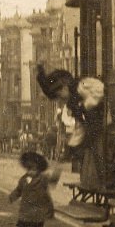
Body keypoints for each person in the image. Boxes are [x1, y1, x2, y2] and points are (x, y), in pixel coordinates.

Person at [36, 65, 106, 194]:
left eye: (60, 96)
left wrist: (85, 106)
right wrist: (70, 147)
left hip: (104, 121)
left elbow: (99, 88)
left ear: (65, 86)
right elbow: (79, 127)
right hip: (92, 127)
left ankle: (103, 181)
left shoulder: (82, 85)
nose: (61, 100)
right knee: (83, 149)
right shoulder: (72, 102)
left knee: (96, 148)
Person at [9, 151, 59, 227]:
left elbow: (53, 181)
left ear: (39, 169)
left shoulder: (43, 179)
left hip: (38, 210)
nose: (31, 171)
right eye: (29, 169)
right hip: (26, 210)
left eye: (34, 169)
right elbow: (18, 190)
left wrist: (57, 170)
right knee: (20, 225)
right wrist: (12, 196)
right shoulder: (24, 179)